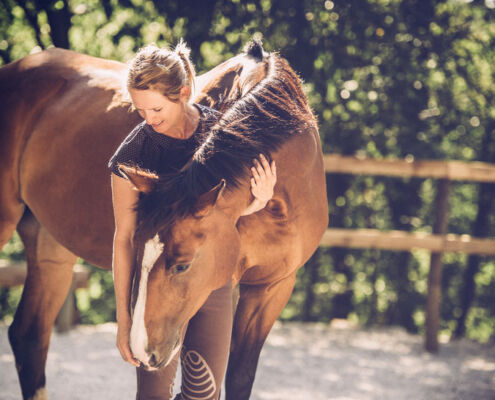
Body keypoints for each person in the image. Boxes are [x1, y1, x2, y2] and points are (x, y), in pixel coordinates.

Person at [108, 40, 277, 400]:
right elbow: (124, 238)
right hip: (156, 286)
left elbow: (216, 217)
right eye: (140, 111)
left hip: (209, 283)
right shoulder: (133, 153)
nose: (149, 119)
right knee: (153, 395)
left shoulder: (221, 137)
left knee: (204, 395)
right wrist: (124, 320)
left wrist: (258, 200)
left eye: (156, 109)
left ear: (183, 93)